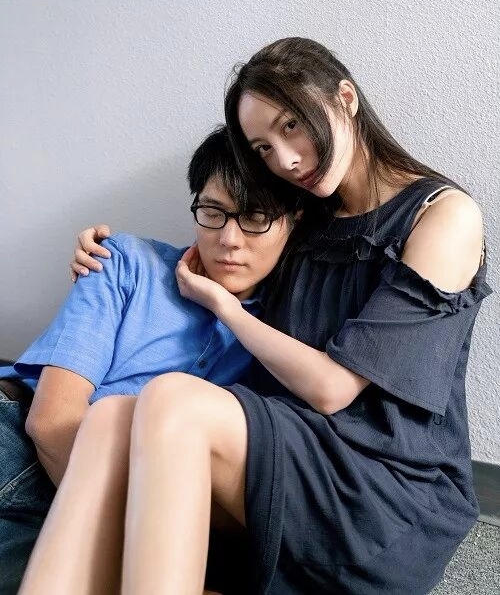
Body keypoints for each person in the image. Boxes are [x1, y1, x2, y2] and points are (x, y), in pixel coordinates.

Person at [20, 37, 490, 595]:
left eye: (292, 126)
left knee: (173, 399)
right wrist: (105, 255)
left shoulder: (445, 216)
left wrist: (221, 305)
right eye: (263, 147)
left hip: (384, 486)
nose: (285, 159)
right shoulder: (305, 213)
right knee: (109, 418)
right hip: (286, 451)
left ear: (345, 99)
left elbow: (334, 389)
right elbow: (230, 242)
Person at [0, 126, 298, 595]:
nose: (229, 239)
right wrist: (135, 549)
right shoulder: (126, 261)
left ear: (294, 222)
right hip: (18, 440)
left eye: (255, 217)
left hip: (84, 499)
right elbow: (52, 422)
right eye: (212, 213)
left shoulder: (282, 340)